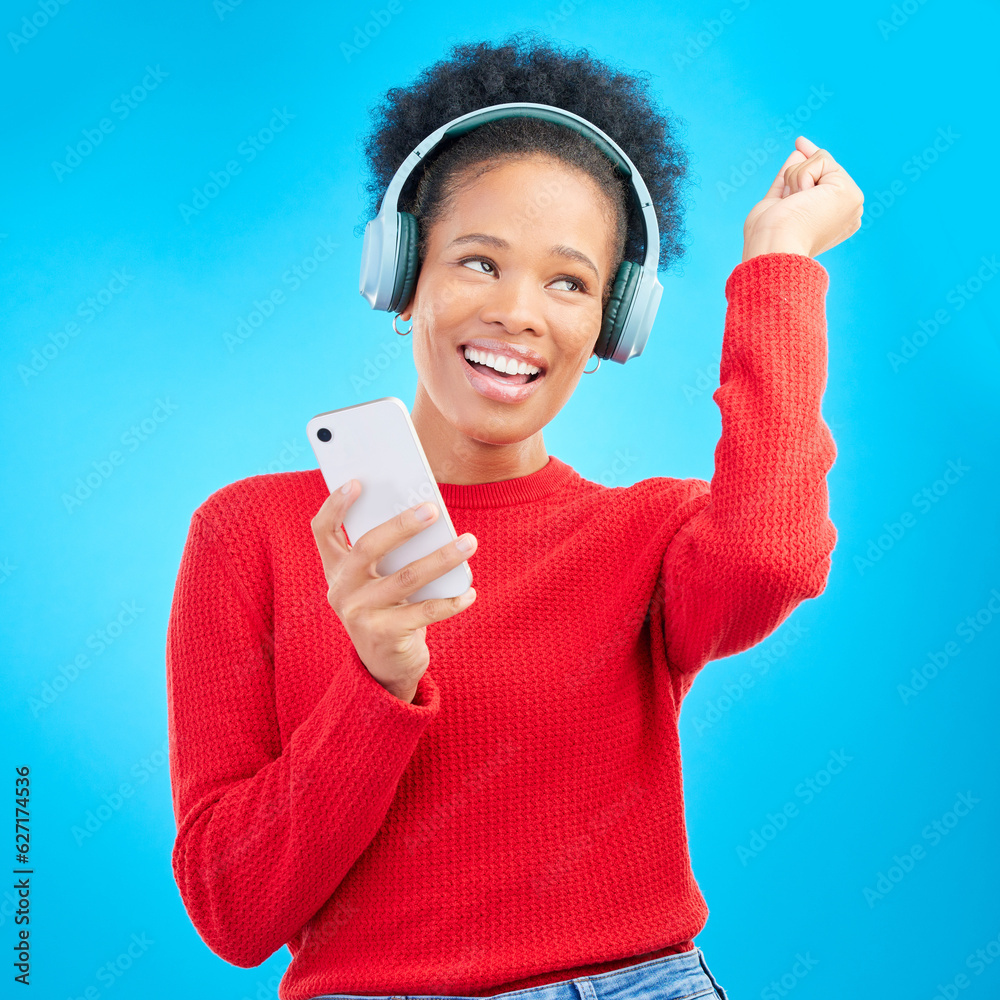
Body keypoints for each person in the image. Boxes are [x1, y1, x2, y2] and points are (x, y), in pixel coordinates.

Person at [165, 31, 863, 1000]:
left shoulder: (648, 535)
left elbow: (774, 554)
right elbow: (236, 912)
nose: (520, 312)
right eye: (478, 261)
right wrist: (377, 682)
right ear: (399, 269)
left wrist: (777, 263)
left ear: (614, 323)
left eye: (569, 281)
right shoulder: (250, 532)